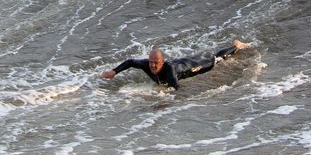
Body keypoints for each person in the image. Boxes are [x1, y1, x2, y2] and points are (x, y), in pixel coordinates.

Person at [101, 40, 251, 89]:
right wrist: (113, 72)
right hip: (183, 62)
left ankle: (236, 46)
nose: (152, 65)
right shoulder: (146, 64)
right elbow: (130, 62)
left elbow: (175, 88)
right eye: (151, 62)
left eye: (156, 63)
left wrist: (163, 99)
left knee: (216, 59)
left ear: (162, 62)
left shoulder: (169, 70)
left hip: (197, 66)